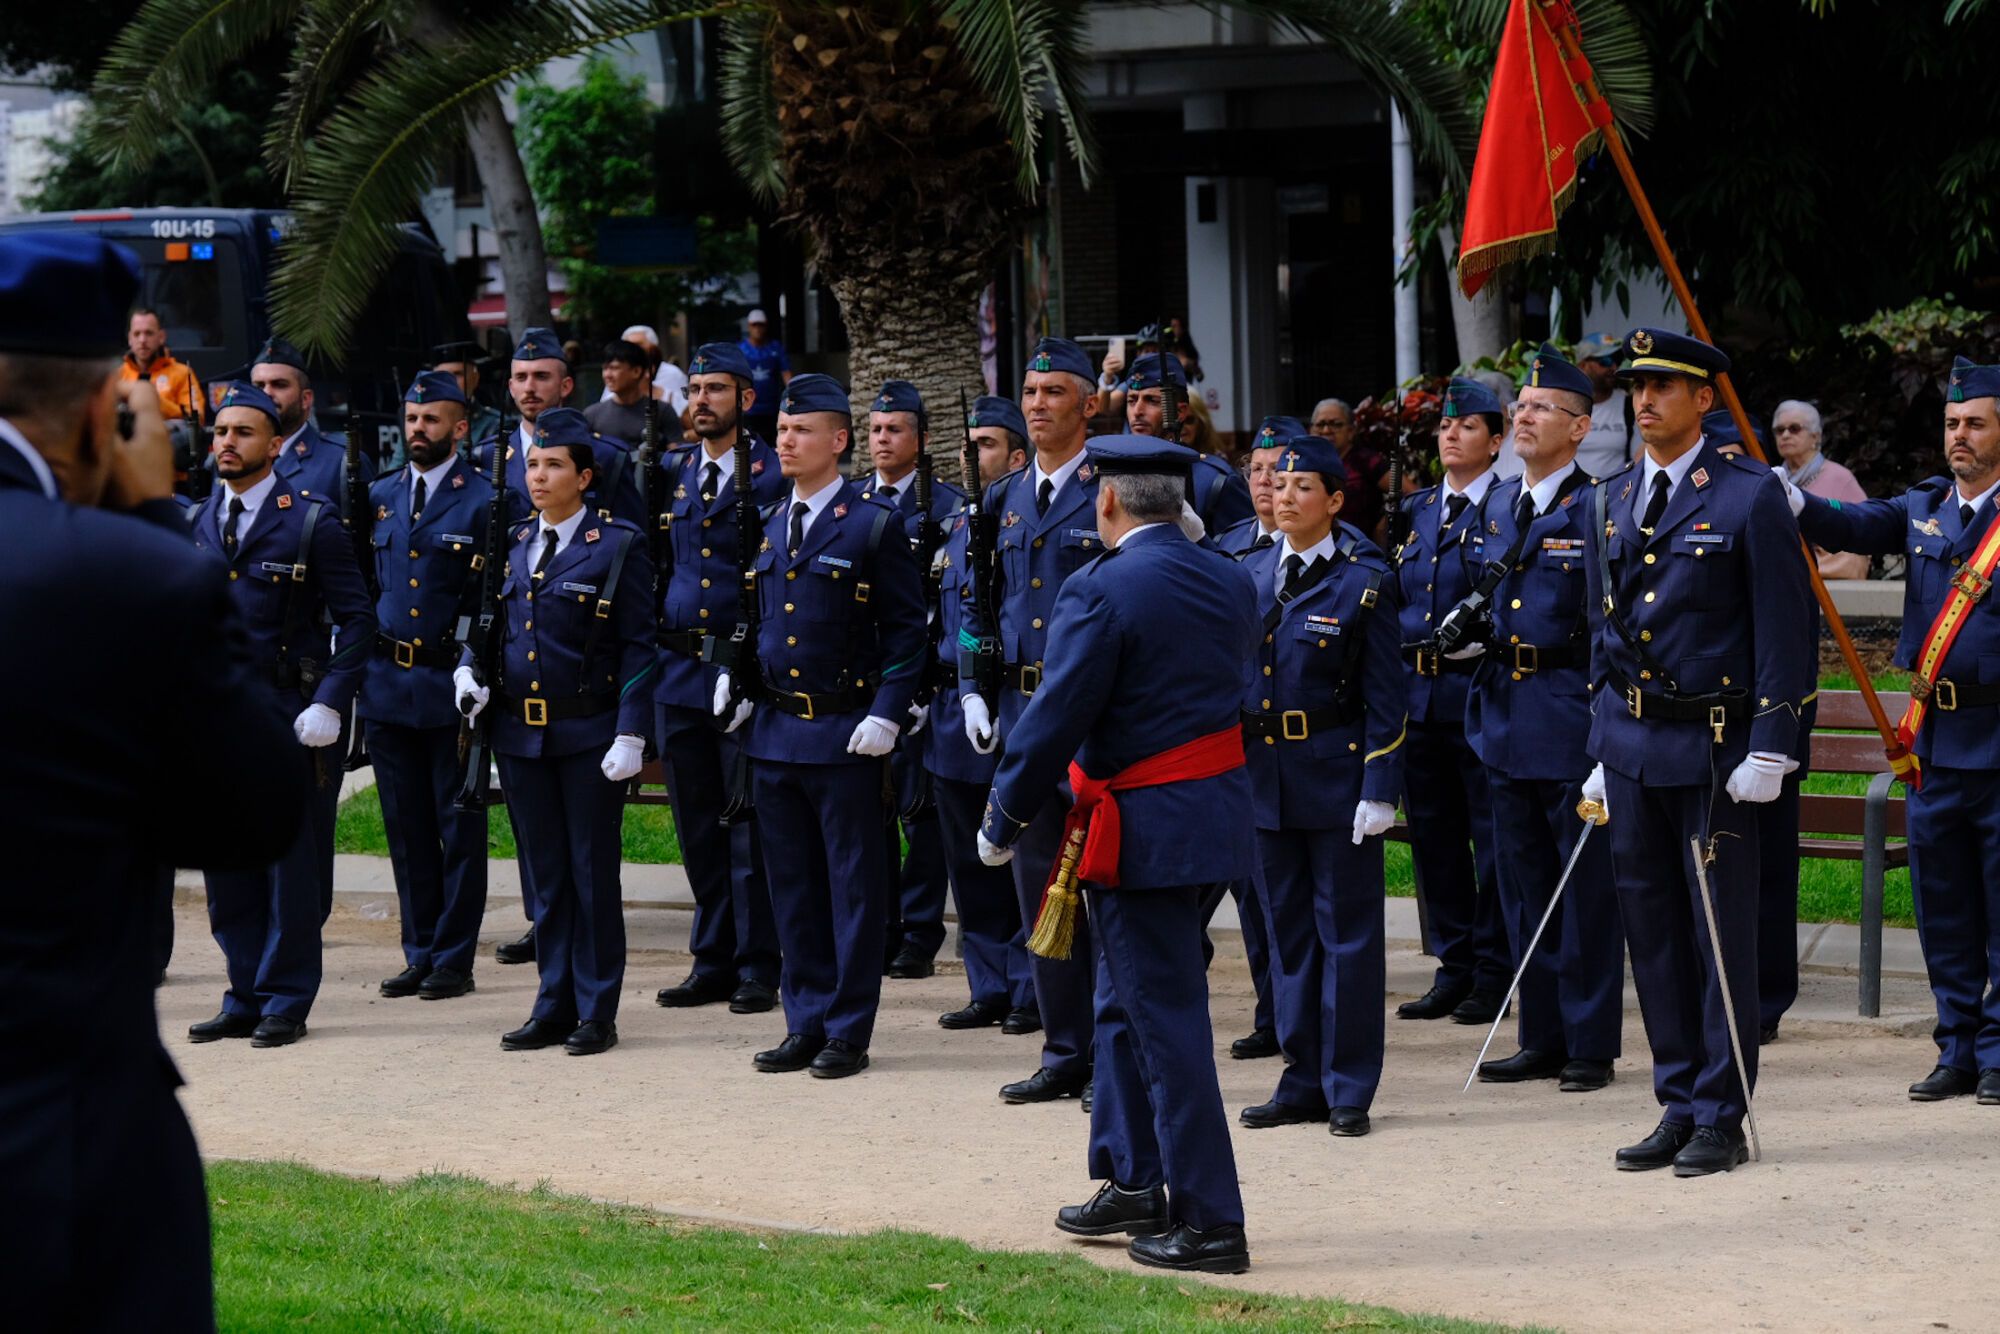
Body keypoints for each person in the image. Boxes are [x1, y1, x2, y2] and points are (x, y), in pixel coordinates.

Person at [2, 231, 306, 1331]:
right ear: (102, 412)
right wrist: (149, 518)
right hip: (56, 1123)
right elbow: (255, 808)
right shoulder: (128, 570)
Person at [977, 434, 1260, 1275]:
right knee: (1122, 1000)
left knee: (1164, 1023)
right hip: (1209, 820)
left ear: (1106, 500)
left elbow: (1056, 712)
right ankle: (1134, 1175)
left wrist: (1003, 815)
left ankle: (1212, 1222)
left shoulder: (1100, 587)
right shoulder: (1231, 574)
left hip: (1142, 830)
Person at [1581, 328, 1813, 1175]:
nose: (1645, 402)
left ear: (1704, 400)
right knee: (1653, 930)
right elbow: (1603, 636)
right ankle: (1678, 1099)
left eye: (1665, 388)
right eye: (1637, 388)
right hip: (1635, 745)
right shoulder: (1607, 496)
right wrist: (1601, 741)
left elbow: (1788, 636)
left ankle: (1722, 1109)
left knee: (1720, 937)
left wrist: (1773, 744)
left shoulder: (1750, 495)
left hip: (1716, 752)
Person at [1778, 355, 2000, 1105]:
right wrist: (1793, 500)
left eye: (1974, 422)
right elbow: (1850, 521)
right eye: (1951, 423)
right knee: (1945, 909)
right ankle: (1958, 1046)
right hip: (1933, 747)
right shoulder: (1925, 506)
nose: (1959, 436)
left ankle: (1999, 1052)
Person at [712, 372, 926, 1078]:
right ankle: (803, 1018)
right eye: (780, 431)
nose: (785, 440)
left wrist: (888, 715)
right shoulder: (772, 521)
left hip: (844, 735)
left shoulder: (872, 524)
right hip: (775, 736)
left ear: (838, 441)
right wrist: (738, 685)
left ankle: (847, 1027)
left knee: (854, 889)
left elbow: (907, 636)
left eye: (800, 431)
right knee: (793, 887)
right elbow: (762, 623)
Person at [453, 414, 658, 1056]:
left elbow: (639, 648)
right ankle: (553, 1001)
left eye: (554, 466)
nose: (538, 477)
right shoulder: (514, 541)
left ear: (584, 477)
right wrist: (470, 670)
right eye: (533, 465)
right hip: (520, 736)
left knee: (591, 872)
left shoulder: (617, 544)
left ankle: (596, 1009)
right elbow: (488, 626)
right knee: (543, 876)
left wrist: (630, 731)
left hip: (588, 733)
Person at [187, 383, 374, 1048]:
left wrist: (330, 699)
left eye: (242, 432)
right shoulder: (199, 520)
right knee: (228, 867)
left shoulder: (311, 520)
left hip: (291, 715)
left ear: (273, 444)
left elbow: (358, 621)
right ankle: (243, 991)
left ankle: (286, 998)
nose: (227, 443)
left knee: (291, 868)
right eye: (220, 433)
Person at [1462, 345, 1625, 1091]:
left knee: (1584, 891)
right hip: (1502, 712)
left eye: (1541, 409)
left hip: (1568, 716)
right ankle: (1541, 1034)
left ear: (1580, 428)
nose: (1523, 417)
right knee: (1523, 884)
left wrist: (1607, 730)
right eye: (1520, 408)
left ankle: (1590, 1042)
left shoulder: (1598, 504)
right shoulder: (1497, 503)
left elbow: (1609, 628)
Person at [1236, 435, 1405, 1139]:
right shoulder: (1244, 573)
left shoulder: (1364, 582)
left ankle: (1348, 1087)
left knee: (1349, 939)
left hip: (1336, 776)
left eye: (1302, 485)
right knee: (1289, 939)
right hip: (1264, 780)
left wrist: (1380, 784)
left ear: (1335, 503)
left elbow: (1389, 698)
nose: (1282, 493)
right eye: (1277, 481)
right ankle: (1301, 1077)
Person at [960, 336, 1105, 1106]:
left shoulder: (1114, 487)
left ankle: (1113, 1055)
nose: (1039, 403)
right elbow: (977, 600)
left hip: (1093, 722)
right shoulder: (1003, 498)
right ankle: (1064, 1049)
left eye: (1055, 391)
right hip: (1020, 716)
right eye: (1031, 391)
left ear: (1090, 403)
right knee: (1036, 889)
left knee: (1103, 892)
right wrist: (972, 684)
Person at [362, 370, 507, 1001]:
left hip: (452, 685)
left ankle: (453, 956)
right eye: (411, 419)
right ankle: (418, 948)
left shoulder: (485, 499)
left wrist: (475, 665)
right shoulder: (379, 494)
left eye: (431, 419)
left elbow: (492, 597)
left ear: (459, 427)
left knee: (458, 827)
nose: (417, 429)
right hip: (389, 683)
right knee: (405, 826)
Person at [651, 342, 785, 1014]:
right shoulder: (670, 472)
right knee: (697, 825)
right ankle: (712, 957)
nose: (701, 400)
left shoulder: (771, 473)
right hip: (678, 675)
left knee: (748, 828)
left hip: (744, 677)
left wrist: (753, 668)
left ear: (746, 400)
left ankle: (760, 962)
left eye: (716, 390)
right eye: (694, 388)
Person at [1389, 378, 1511, 1026]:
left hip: (1478, 694)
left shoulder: (1508, 507)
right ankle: (1454, 965)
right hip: (1420, 698)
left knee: (1489, 842)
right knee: (1435, 842)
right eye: (1445, 426)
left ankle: (1495, 971)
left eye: (1467, 427)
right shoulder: (1414, 510)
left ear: (1496, 441)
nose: (1451, 434)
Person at [1704, 409, 1817, 1045]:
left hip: (1764, 731)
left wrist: (1782, 742)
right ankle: (1723, 986)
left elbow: (1791, 640)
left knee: (1766, 870)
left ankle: (1766, 996)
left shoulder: (1759, 515)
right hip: (1704, 730)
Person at [930, 396, 1038, 1033]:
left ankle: (1030, 985)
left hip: (1017, 706)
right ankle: (988, 982)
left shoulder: (1025, 524)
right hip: (955, 712)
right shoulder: (952, 528)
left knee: (1022, 852)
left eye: (988, 446)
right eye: (968, 446)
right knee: (967, 863)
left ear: (1016, 458)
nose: (974, 458)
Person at [860, 379, 963, 978]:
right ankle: (881, 923)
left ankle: (920, 932)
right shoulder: (851, 502)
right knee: (868, 810)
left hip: (923, 682)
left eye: (894, 429)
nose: (882, 439)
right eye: (874, 429)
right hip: (864, 679)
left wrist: (924, 685)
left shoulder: (947, 507)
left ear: (921, 440)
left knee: (920, 812)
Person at [1121, 351, 1254, 534]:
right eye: (1131, 400)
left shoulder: (1214, 482)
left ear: (1180, 411)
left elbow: (1241, 553)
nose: (1137, 411)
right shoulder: (1116, 474)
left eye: (1151, 400)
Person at [251, 336, 373, 509]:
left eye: (279, 384)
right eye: (258, 386)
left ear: (305, 399)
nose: (267, 393)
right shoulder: (235, 457)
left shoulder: (341, 462)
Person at [1772, 400, 1869, 580]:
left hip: (1830, 585)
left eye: (1794, 428)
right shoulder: (1772, 480)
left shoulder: (1840, 477)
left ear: (1815, 436)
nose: (1785, 435)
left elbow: (1866, 532)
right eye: (1779, 430)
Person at [1215, 415, 1305, 555]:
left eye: (1275, 469)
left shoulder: (1321, 544)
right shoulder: (1227, 541)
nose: (1263, 480)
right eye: (1256, 469)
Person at [1311, 396, 1390, 542]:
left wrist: (1384, 523)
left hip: (1360, 550)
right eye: (1320, 424)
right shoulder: (1307, 464)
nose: (1327, 430)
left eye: (1335, 424)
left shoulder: (1367, 461)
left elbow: (1410, 494)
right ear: (1311, 430)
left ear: (1351, 431)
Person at [120, 306, 205, 423]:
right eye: (137, 334)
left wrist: (157, 402)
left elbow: (197, 418)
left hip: (168, 438)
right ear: (130, 338)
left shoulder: (182, 373)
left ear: (161, 337)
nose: (142, 340)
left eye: (149, 333)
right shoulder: (117, 375)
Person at [1574, 332, 1633, 480]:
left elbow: (1640, 455)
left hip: (1614, 496)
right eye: (1605, 361)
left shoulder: (1629, 405)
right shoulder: (1563, 406)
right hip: (1569, 498)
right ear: (1582, 365)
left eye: (1616, 360)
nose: (1613, 366)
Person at [583, 338, 658, 447]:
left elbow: (674, 456)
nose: (607, 375)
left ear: (636, 371)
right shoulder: (591, 415)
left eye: (614, 368)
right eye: (605, 369)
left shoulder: (661, 411)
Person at [431, 339, 503, 445]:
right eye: (442, 376)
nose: (450, 381)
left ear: (475, 378)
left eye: (457, 374)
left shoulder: (494, 424)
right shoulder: (419, 422)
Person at [738, 308, 791, 445]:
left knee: (773, 447)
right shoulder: (741, 349)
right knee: (750, 448)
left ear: (765, 326)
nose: (758, 329)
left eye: (760, 325)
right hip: (748, 410)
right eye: (754, 325)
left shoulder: (776, 348)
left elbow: (786, 374)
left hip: (772, 409)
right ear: (749, 326)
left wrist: (793, 394)